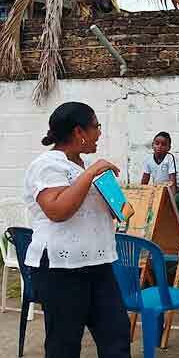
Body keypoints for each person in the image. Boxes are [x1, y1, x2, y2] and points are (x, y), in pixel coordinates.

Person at [24, 102, 130, 358]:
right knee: (65, 344)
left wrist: (116, 205)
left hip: (99, 264)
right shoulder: (47, 165)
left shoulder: (82, 166)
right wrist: (92, 171)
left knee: (117, 336)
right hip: (62, 270)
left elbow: (95, 210)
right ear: (79, 132)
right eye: (96, 126)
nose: (99, 133)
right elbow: (58, 211)